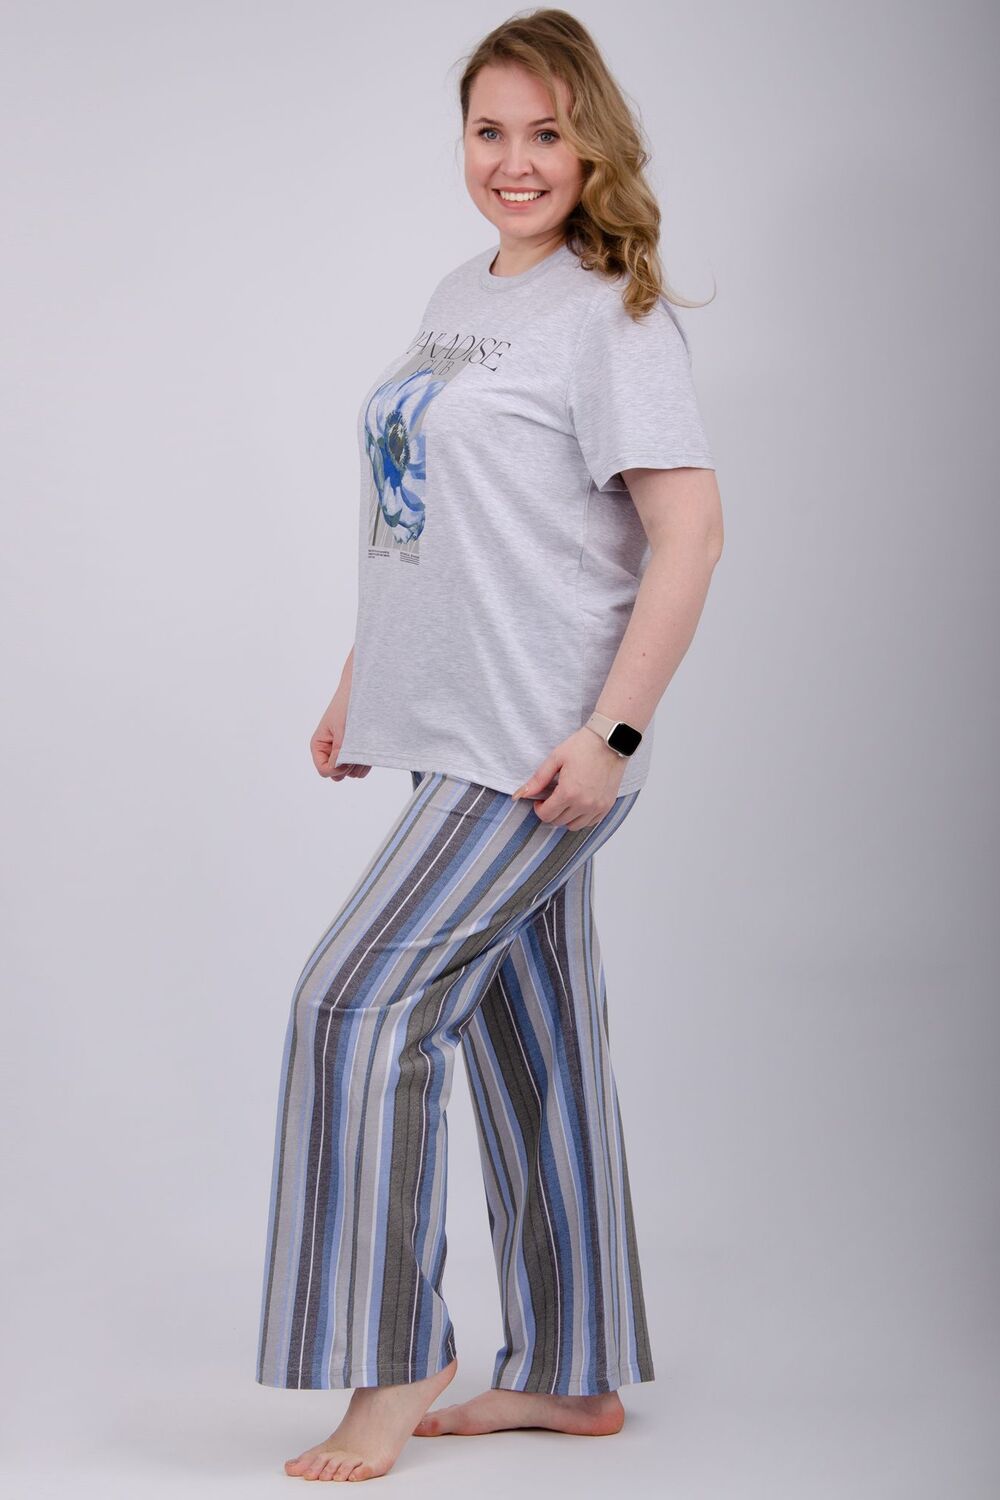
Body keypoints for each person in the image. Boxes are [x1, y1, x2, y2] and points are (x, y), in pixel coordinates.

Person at [255, 8, 724, 1484]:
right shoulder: (465, 291)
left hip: (532, 748)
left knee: (354, 1006)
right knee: (538, 1044)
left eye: (545, 133)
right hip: (443, 727)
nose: (514, 162)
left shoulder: (612, 312)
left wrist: (613, 733)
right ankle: (575, 1378)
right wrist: (365, 680)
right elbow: (434, 515)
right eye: (488, 131)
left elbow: (690, 532)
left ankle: (396, 1357)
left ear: (593, 144)